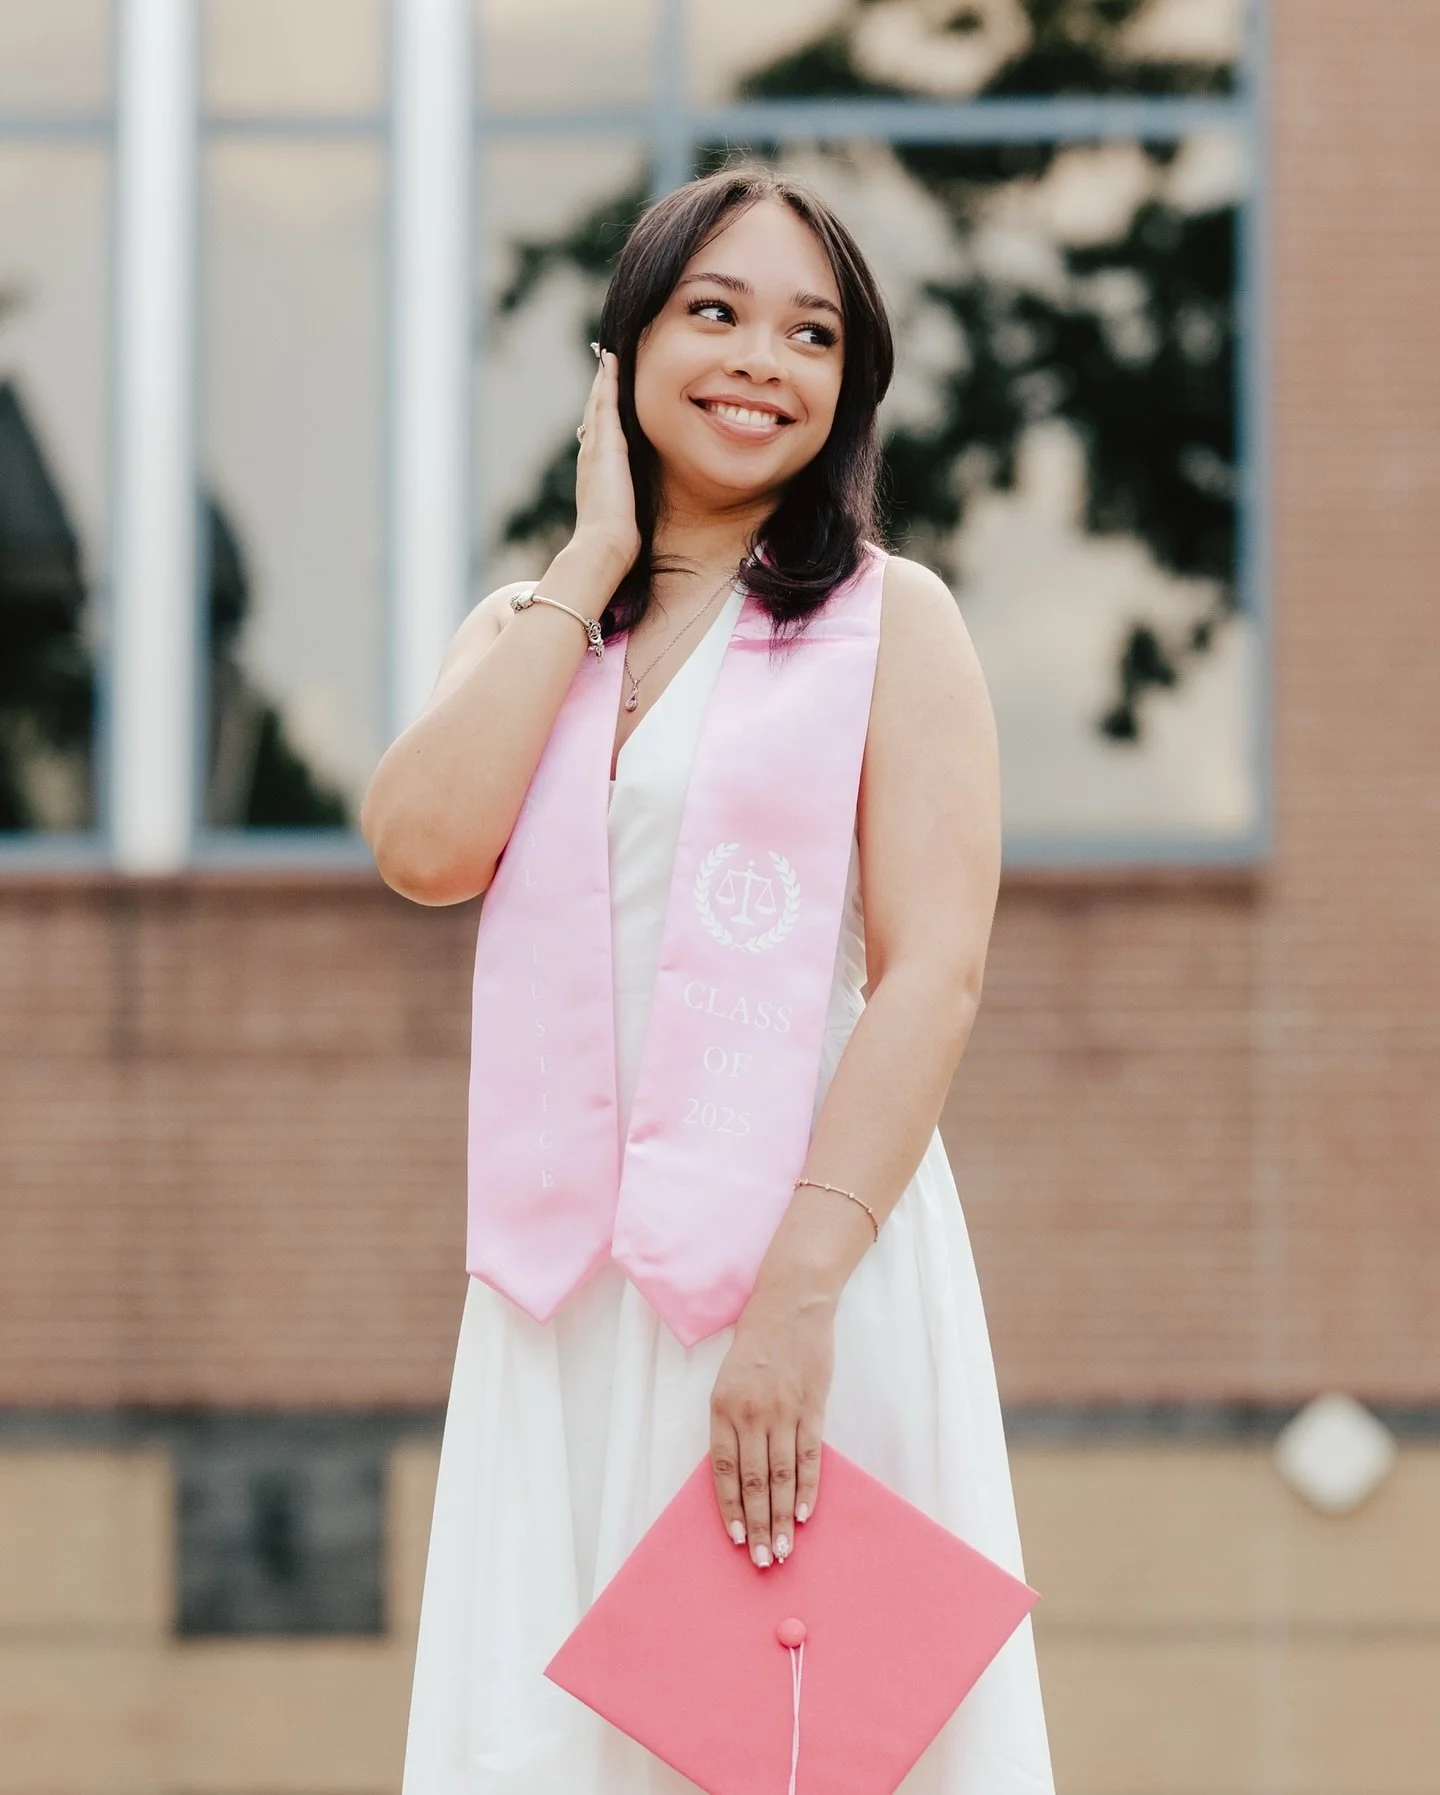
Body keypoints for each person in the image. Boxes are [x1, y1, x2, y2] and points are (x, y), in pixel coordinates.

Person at [363, 167, 1053, 1795]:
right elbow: (423, 841)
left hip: (801, 1260)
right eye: (715, 312)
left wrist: (796, 1300)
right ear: (627, 349)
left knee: (802, 1741)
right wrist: (597, 550)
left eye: (812, 334)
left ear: (848, 389)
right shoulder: (530, 628)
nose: (763, 359)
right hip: (566, 1292)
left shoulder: (894, 623)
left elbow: (934, 973)